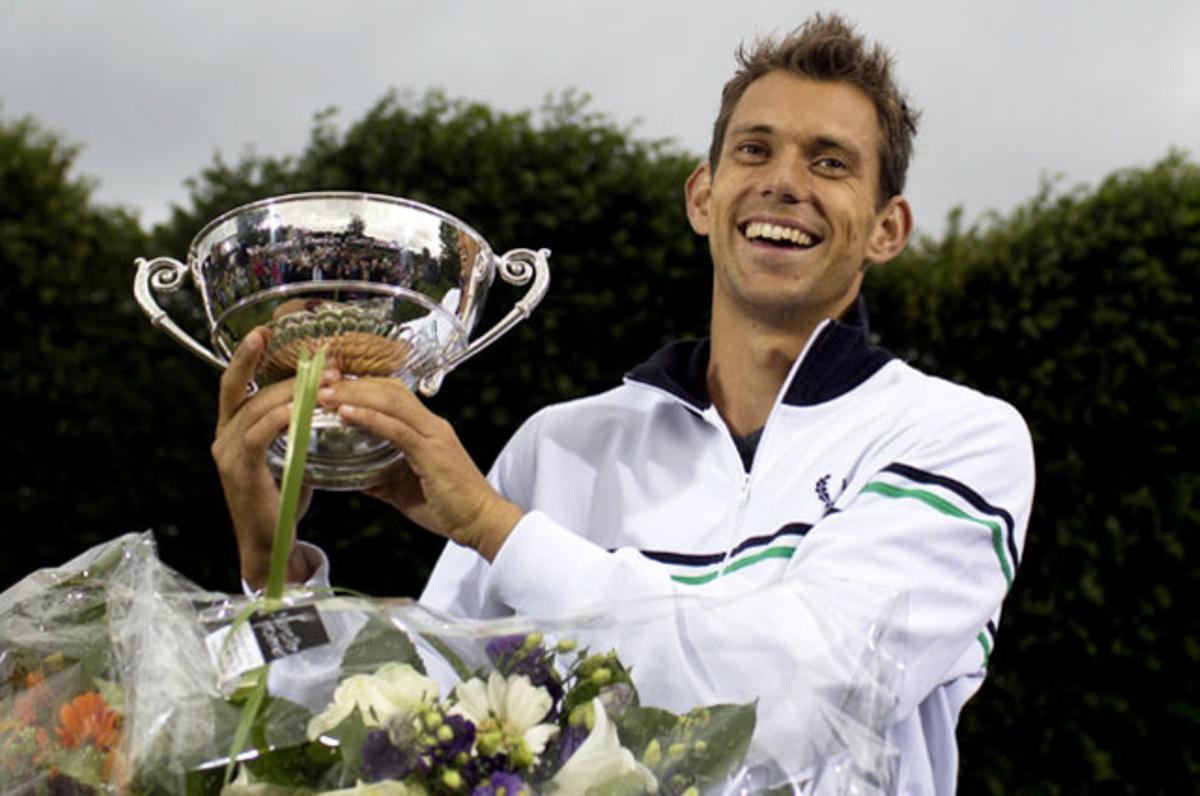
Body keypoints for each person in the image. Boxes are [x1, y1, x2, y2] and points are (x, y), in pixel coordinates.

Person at [213, 14, 1034, 793]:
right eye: (755, 150)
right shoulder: (560, 446)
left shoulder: (958, 438)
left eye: (830, 162)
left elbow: (788, 704)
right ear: (703, 198)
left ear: (888, 228)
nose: (785, 183)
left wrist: (501, 530)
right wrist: (272, 569)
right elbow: (399, 731)